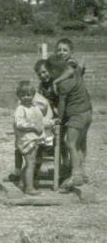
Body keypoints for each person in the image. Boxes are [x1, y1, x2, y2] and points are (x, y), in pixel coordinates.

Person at [45, 54, 92, 190]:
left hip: (76, 115)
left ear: (54, 71)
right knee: (79, 144)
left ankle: (75, 174)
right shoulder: (76, 72)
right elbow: (81, 62)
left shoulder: (63, 84)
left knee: (70, 143)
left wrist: (59, 119)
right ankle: (81, 173)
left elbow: (62, 104)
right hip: (87, 113)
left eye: (50, 73)